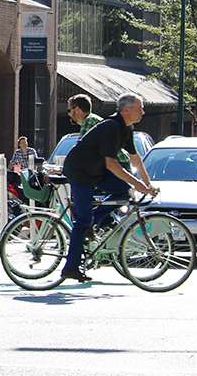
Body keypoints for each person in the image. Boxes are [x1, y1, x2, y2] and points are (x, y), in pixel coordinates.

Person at [60, 93, 156, 283]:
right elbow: (112, 164)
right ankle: (70, 267)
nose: (143, 112)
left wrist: (148, 183)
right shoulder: (111, 127)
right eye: (139, 109)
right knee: (82, 221)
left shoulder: (126, 129)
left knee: (125, 191)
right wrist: (139, 185)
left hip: (95, 171)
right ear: (127, 110)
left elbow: (135, 158)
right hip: (80, 171)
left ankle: (93, 222)